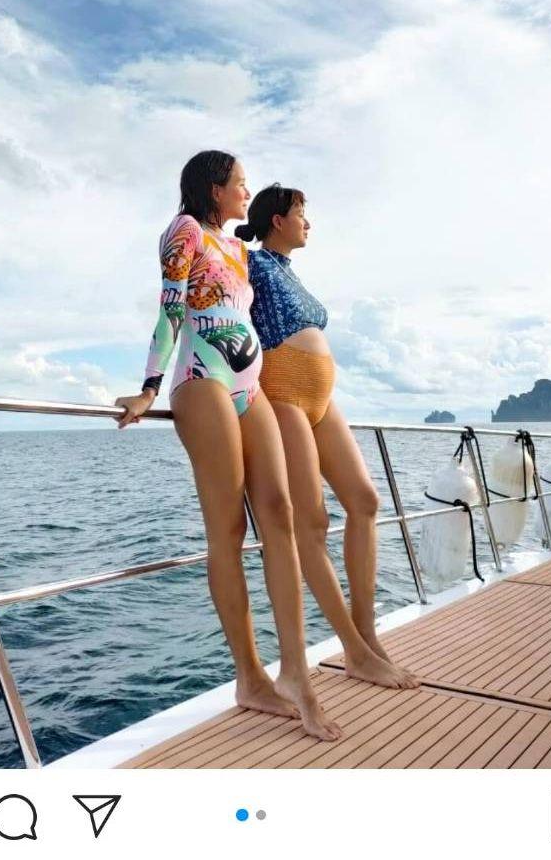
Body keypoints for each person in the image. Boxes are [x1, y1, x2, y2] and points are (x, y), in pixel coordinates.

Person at [115, 152, 341, 741]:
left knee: (281, 514)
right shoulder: (184, 230)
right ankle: (250, 676)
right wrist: (148, 389)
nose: (247, 191)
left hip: (249, 388)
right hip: (202, 380)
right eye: (240, 183)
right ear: (215, 188)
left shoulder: (239, 249)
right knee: (229, 530)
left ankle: (296, 674)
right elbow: (170, 309)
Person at [237, 184, 419, 690]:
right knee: (312, 523)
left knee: (365, 501)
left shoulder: (289, 271)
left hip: (320, 398)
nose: (308, 223)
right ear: (278, 220)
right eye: (301, 214)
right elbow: (210, 295)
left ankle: (366, 632)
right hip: (283, 394)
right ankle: (354, 651)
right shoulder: (251, 262)